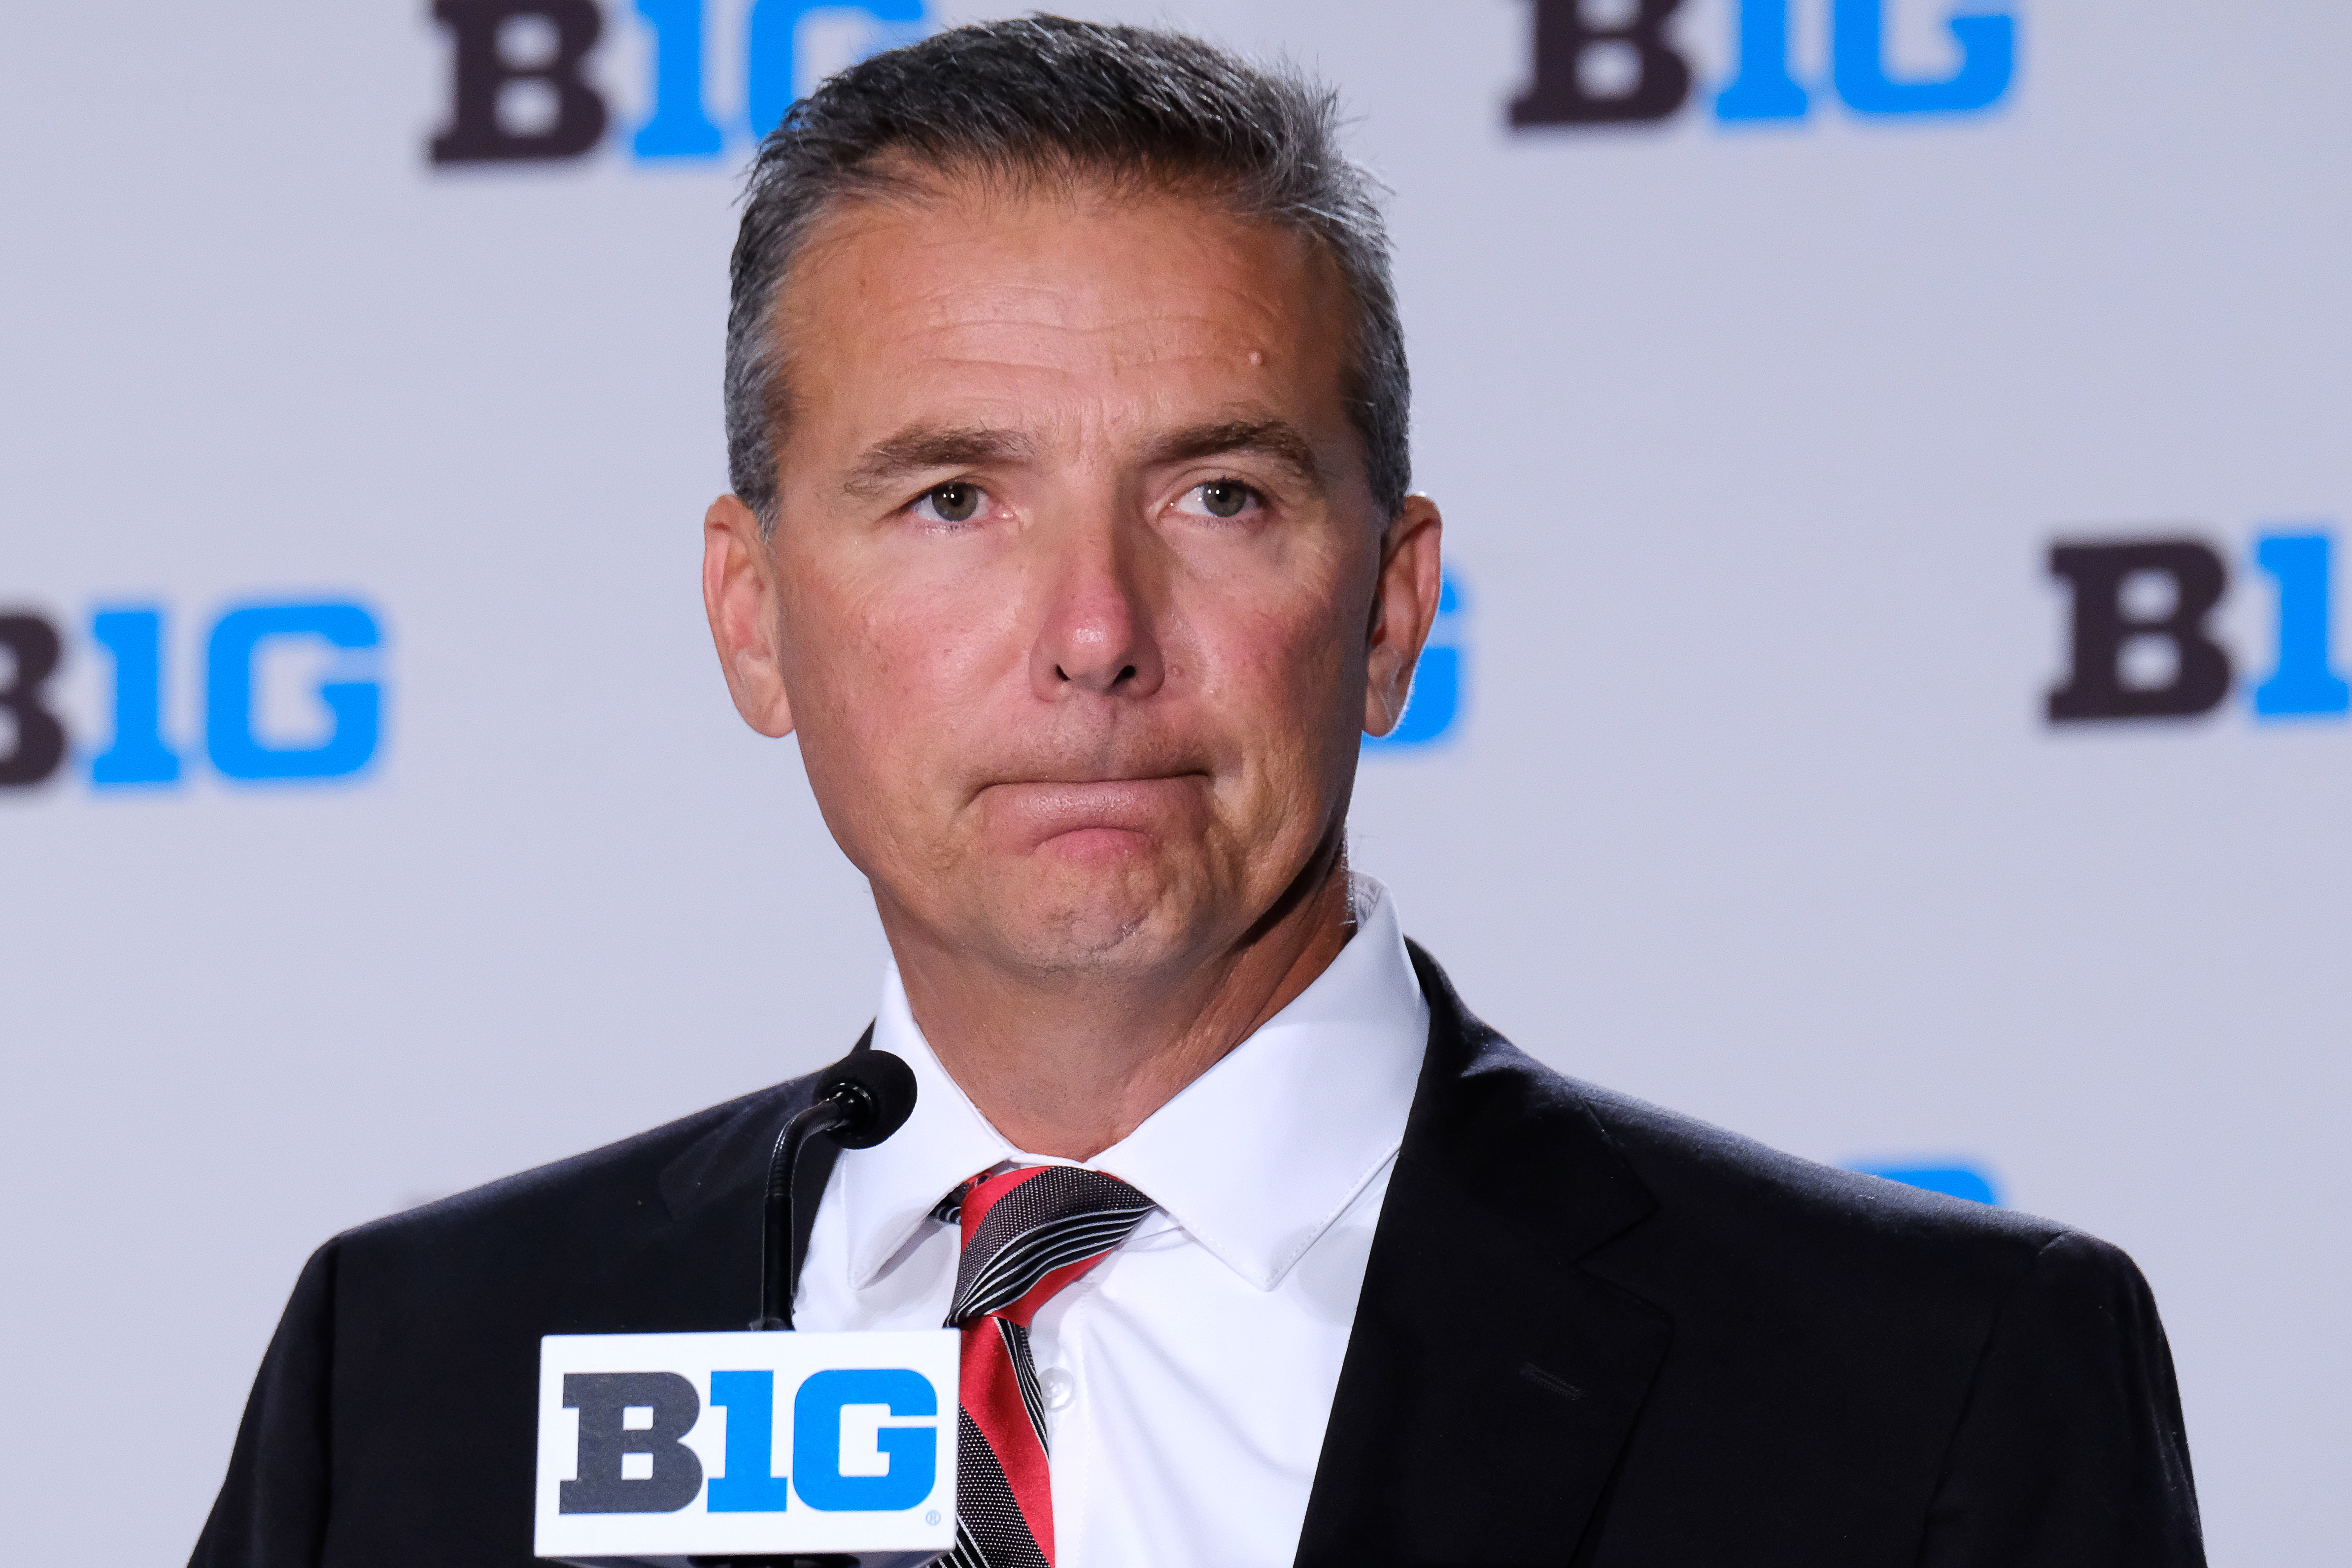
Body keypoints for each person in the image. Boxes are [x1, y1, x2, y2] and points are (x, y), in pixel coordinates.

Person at [191, 17, 2203, 1568]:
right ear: (755, 617)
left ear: (1391, 609)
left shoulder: (1929, 1388)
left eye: (1219, 495)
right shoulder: (425, 1379)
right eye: (954, 498)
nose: (1095, 632)